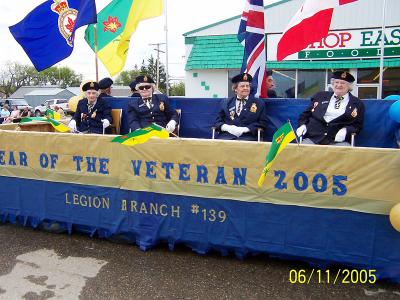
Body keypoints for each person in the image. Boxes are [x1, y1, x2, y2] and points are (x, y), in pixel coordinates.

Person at [296, 71, 365, 146]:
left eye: (343, 83)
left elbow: (357, 126)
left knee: (344, 152)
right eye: (336, 82)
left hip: (338, 141)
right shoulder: (320, 96)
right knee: (301, 151)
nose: (339, 85)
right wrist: (302, 125)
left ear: (349, 86)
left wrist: (346, 130)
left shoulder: (357, 103)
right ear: (332, 84)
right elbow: (305, 115)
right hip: (314, 138)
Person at [214, 73, 267, 141]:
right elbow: (217, 122)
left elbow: (263, 123)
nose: (245, 88)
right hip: (227, 137)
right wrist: (227, 128)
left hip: (248, 138)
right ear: (235, 89)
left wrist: (246, 129)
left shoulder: (259, 103)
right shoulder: (226, 102)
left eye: (247, 86)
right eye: (242, 86)